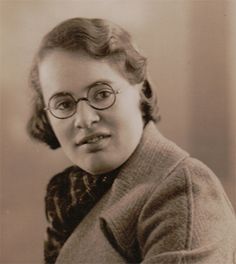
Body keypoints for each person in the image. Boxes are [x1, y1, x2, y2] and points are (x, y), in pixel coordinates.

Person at [27, 17, 236, 264]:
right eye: (63, 104)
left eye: (102, 93)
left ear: (141, 90)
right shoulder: (71, 198)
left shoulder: (182, 189)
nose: (84, 119)